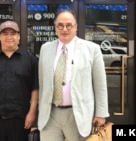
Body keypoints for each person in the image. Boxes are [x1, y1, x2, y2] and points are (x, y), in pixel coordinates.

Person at [38, 10, 109, 141]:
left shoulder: (92, 49)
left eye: (69, 25)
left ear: (76, 27)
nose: (64, 29)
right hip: (50, 114)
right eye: (60, 25)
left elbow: (100, 85)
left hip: (78, 115)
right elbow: (42, 83)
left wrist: (101, 113)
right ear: (55, 28)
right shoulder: (45, 48)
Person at [0, 20, 39, 141]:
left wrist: (32, 113)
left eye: (13, 33)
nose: (9, 37)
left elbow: (34, 89)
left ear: (19, 36)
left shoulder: (29, 60)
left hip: (20, 120)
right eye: (5, 34)